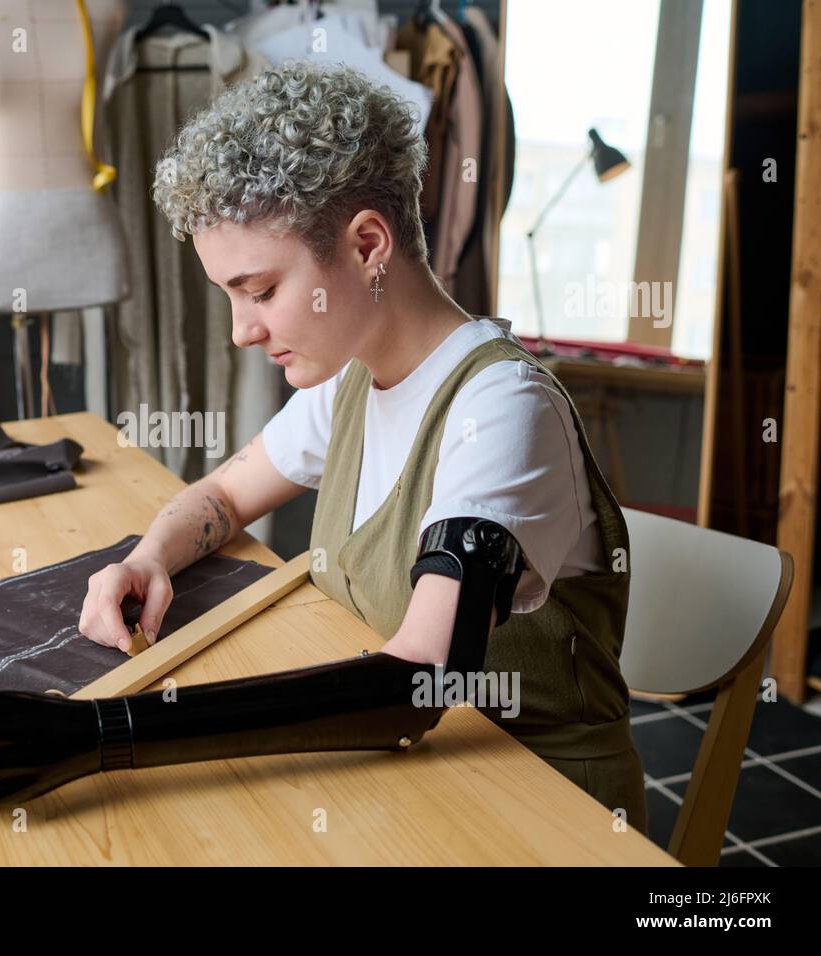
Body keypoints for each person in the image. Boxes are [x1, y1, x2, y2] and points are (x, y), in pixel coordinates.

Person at [77, 61, 647, 834]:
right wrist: (148, 558)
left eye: (261, 291)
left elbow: (419, 678)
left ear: (368, 244)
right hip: (424, 781)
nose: (242, 331)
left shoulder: (503, 413)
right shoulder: (348, 386)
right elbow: (223, 497)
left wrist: (102, 736)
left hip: (544, 814)